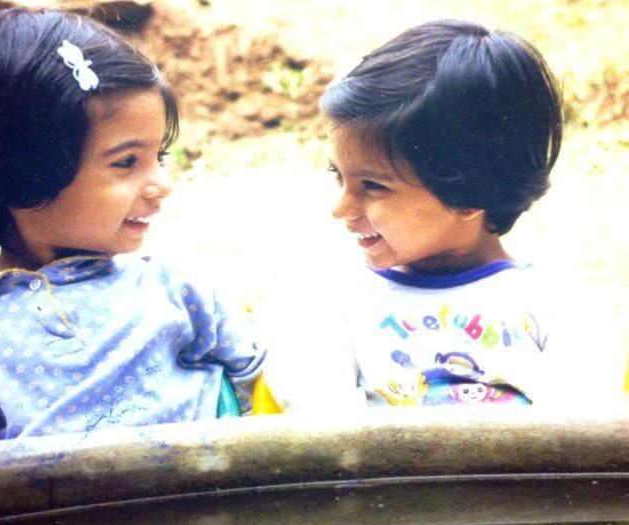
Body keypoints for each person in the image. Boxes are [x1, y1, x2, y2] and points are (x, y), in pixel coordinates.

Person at [0, 8, 263, 454]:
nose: (161, 185)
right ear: (23, 175)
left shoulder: (175, 288)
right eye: (126, 162)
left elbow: (266, 392)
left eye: (160, 157)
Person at [256, 19, 625, 414]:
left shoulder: (558, 305)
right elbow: (322, 430)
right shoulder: (330, 303)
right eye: (338, 176)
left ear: (469, 195)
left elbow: (578, 435)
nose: (340, 209)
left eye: (372, 186)